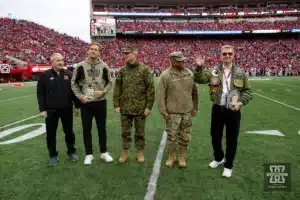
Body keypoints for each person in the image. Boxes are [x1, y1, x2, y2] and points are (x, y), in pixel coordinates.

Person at [193, 45, 252, 178]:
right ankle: (218, 158)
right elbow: (198, 79)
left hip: (233, 110)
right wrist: (198, 67)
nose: (227, 56)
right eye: (224, 54)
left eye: (229, 54)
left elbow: (248, 91)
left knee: (232, 139)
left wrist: (241, 102)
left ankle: (228, 165)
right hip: (217, 109)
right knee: (215, 136)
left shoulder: (240, 73)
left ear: (233, 55)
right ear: (220, 55)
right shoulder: (213, 71)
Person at [71, 43, 113, 165]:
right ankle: (89, 154)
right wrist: (80, 96)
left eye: (96, 50)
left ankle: (104, 152)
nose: (93, 51)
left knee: (102, 128)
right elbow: (73, 83)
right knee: (86, 128)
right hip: (86, 102)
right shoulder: (80, 66)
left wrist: (103, 92)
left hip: (100, 102)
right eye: (91, 49)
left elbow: (110, 83)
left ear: (99, 52)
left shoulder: (104, 66)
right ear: (88, 51)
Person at [155, 51, 198, 168]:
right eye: (179, 61)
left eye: (183, 60)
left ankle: (182, 156)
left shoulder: (189, 73)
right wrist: (163, 111)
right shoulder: (165, 75)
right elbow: (160, 95)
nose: (183, 62)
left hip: (187, 112)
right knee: (172, 136)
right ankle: (171, 156)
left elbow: (194, 92)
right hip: (172, 113)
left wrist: (195, 107)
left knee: (185, 136)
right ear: (172, 61)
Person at [113, 45, 155, 163]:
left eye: (128, 53)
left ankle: (139, 151)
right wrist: (116, 104)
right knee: (125, 131)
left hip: (140, 108)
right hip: (125, 107)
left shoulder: (144, 69)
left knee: (140, 132)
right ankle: (125, 152)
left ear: (134, 54)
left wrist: (148, 106)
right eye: (124, 54)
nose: (125, 56)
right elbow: (117, 88)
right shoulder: (122, 70)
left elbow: (150, 88)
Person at [37, 53, 79, 167]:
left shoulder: (68, 74)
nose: (61, 62)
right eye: (58, 60)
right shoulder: (45, 75)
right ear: (52, 62)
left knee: (69, 132)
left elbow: (74, 92)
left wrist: (77, 106)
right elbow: (40, 93)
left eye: (62, 60)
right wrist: (42, 109)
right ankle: (53, 155)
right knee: (51, 134)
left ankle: (71, 152)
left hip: (66, 108)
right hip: (50, 110)